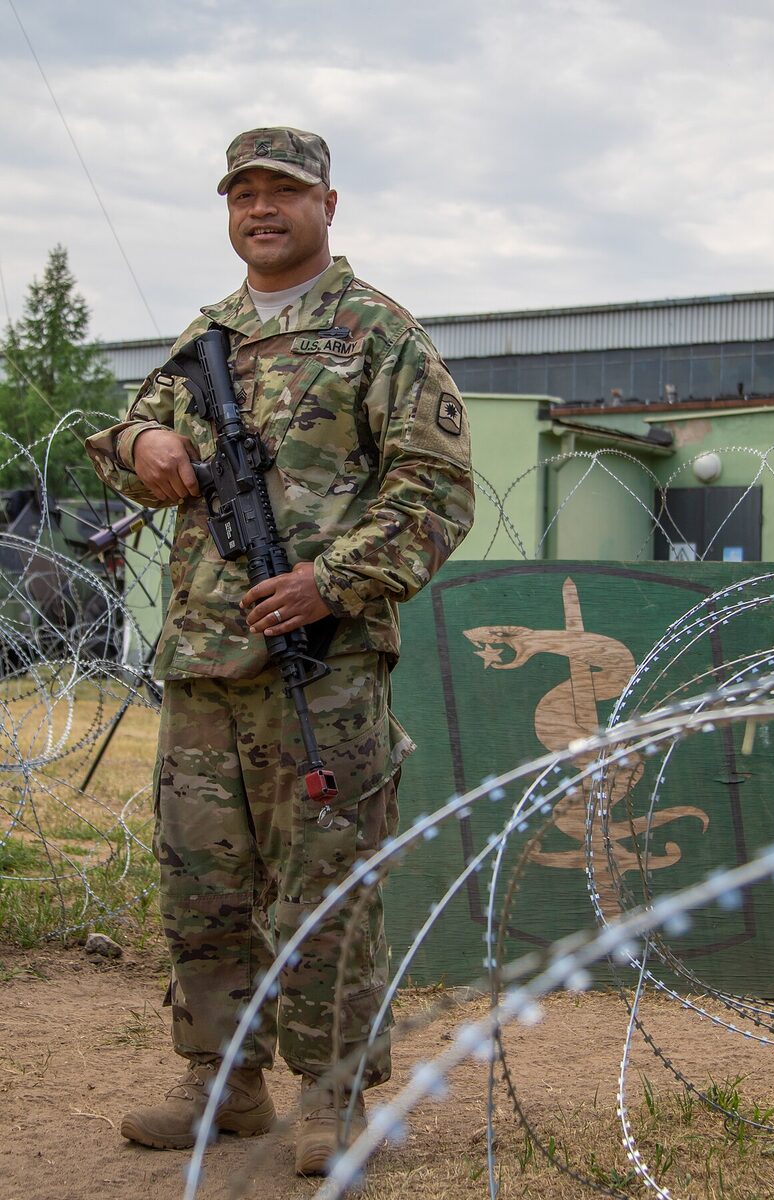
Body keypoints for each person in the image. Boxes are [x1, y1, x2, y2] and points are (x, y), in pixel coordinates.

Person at [86, 126, 473, 1175]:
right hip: (203, 664)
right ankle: (222, 1084)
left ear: (328, 205)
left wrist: (327, 583)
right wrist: (142, 445)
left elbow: (434, 492)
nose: (262, 208)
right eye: (243, 192)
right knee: (200, 893)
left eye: (284, 192)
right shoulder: (204, 334)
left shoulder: (375, 334)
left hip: (325, 665)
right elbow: (120, 439)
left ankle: (333, 1099)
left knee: (326, 891)